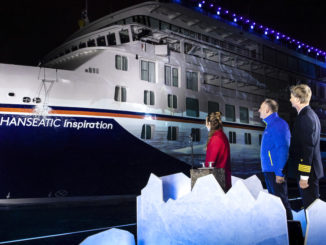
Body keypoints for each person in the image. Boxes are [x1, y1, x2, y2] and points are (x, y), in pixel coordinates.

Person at [286, 84, 324, 209]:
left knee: (311, 208)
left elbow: (307, 150)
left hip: (308, 174)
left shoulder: (306, 118)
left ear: (297, 99)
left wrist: (304, 176)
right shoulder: (309, 115)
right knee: (312, 208)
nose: (290, 99)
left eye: (291, 97)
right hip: (310, 172)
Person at [258, 99, 293, 220]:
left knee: (281, 203)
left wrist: (280, 172)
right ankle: (284, 233)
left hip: (275, 172)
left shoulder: (278, 124)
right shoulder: (271, 125)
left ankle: (293, 234)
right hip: (270, 171)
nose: (259, 110)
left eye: (261, 108)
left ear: (267, 110)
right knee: (276, 204)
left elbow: (283, 149)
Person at [205, 112, 231, 191]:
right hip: (224, 179)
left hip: (218, 181)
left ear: (209, 124)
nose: (206, 126)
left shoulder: (215, 139)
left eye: (206, 123)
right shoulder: (222, 136)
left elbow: (210, 163)